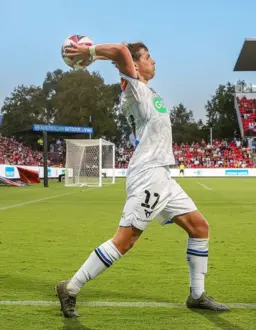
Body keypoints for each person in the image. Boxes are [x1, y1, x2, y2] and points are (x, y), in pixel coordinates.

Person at [57, 41, 228, 318]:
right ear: (134, 66)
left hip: (162, 175)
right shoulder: (133, 88)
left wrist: (98, 56)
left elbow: (122, 55)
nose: (154, 61)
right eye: (148, 57)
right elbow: (122, 50)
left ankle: (197, 296)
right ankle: (70, 287)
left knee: (199, 228)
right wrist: (91, 53)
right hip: (148, 175)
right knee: (124, 241)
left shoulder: (147, 90)